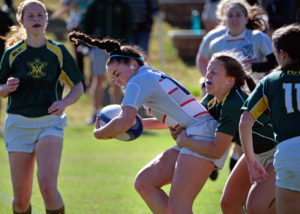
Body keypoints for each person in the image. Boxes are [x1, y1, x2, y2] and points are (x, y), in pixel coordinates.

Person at [69, 31, 230, 214]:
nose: (116, 81)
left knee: (180, 207)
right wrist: (141, 123)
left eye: (117, 74)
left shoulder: (137, 81)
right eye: (112, 78)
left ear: (132, 64)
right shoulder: (149, 74)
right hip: (197, 133)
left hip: (202, 135)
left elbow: (123, 121)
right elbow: (169, 119)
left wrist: (98, 132)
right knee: (145, 183)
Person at [0, 1, 84, 213]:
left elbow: (78, 87)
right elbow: (0, 88)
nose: (36, 19)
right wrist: (6, 87)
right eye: (31, 16)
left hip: (50, 124)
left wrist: (64, 102)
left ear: (46, 20)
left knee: (47, 186)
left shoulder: (58, 51)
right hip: (18, 125)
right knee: (20, 200)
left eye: (40, 15)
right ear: (22, 21)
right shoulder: (11, 53)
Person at [175, 52, 276, 214]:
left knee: (259, 208)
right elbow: (192, 123)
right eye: (208, 70)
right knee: (229, 204)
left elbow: (217, 150)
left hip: (276, 153)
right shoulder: (211, 99)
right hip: (254, 154)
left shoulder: (233, 103)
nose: (207, 75)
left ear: (230, 80)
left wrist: (185, 141)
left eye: (214, 72)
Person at [239, 24, 300, 214]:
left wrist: (251, 161)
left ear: (282, 54)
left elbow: (245, 121)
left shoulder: (271, 81)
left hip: (290, 152)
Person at [80, 0, 133, 125]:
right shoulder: (95, 4)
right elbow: (87, 24)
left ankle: (116, 112)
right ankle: (96, 113)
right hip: (98, 48)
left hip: (116, 48)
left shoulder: (122, 5)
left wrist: (122, 43)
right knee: (98, 79)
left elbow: (128, 25)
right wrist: (90, 42)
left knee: (116, 81)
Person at [206, 0, 277, 82]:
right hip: (229, 90)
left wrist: (250, 67)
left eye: (238, 15)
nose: (234, 18)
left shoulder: (258, 37)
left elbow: (274, 63)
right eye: (230, 15)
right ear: (225, 20)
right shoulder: (216, 44)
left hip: (256, 88)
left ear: (246, 19)